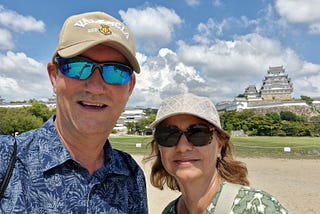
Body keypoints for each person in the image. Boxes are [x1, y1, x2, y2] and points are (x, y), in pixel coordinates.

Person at [0, 11, 148, 213]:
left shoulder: (130, 174)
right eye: (78, 67)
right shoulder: (6, 160)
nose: (96, 87)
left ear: (130, 87)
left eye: (116, 71)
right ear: (54, 76)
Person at [144, 93, 287, 214]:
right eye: (168, 135)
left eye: (198, 133)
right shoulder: (170, 211)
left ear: (219, 146)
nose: (182, 147)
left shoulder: (256, 206)